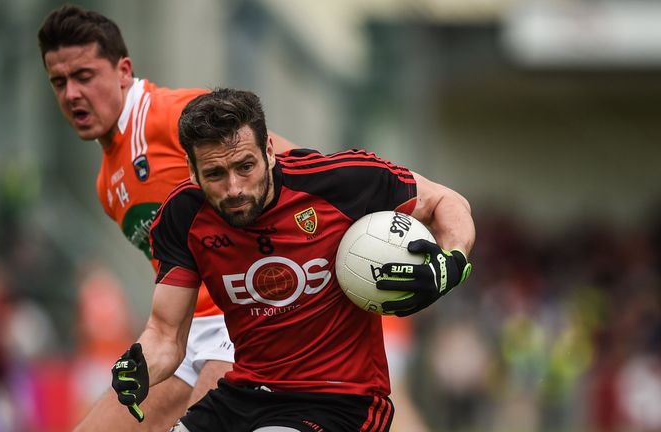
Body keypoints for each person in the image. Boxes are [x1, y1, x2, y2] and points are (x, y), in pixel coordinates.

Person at [110, 88, 475, 431]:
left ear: (269, 151)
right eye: (215, 174)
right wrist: (140, 367)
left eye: (245, 166)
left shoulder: (340, 181)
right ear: (191, 171)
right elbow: (165, 335)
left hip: (341, 401)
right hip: (245, 392)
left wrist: (452, 261)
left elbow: (446, 202)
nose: (234, 187)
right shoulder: (181, 217)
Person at [36, 6, 297, 431]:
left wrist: (408, 199)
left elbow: (301, 165)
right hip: (187, 340)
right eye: (59, 82)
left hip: (248, 322)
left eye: (84, 76)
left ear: (123, 70)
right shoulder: (107, 183)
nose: (71, 95)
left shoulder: (169, 114)